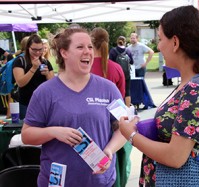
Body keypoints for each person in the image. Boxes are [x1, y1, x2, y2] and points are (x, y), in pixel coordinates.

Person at [119, 5, 199, 186]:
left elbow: (176, 157)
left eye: (160, 39)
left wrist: (131, 136)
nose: (158, 46)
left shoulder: (197, 89)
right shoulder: (192, 85)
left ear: (175, 42)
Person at [21, 27, 127, 187]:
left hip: (99, 181)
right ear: (64, 53)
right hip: (58, 182)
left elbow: (125, 128)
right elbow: (27, 135)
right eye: (80, 47)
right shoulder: (45, 92)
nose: (88, 52)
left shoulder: (108, 89)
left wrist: (110, 150)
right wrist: (53, 132)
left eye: (90, 47)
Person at [91, 28, 132, 187]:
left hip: (92, 128)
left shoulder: (83, 69)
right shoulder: (115, 68)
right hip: (111, 129)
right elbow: (121, 100)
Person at [12, 34, 54, 120]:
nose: (38, 52)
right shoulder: (20, 61)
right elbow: (20, 83)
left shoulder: (45, 61)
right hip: (26, 103)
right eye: (34, 49)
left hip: (43, 103)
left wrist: (47, 74)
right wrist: (34, 68)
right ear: (28, 48)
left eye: (40, 49)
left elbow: (53, 84)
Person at [90, 27, 125, 98]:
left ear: (91, 43)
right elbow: (121, 96)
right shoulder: (116, 68)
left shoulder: (84, 67)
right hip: (112, 108)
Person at [109, 36, 134, 107]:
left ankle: (118, 107)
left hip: (116, 73)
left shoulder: (113, 51)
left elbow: (110, 62)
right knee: (127, 90)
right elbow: (132, 62)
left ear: (117, 42)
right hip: (126, 74)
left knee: (116, 90)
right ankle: (128, 108)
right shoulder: (128, 51)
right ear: (125, 42)